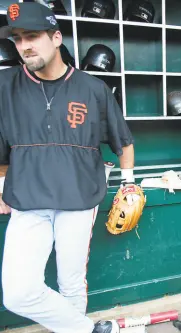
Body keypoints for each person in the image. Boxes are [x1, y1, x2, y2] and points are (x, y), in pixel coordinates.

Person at [0, 3, 137, 332]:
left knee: (71, 285)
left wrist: (129, 184)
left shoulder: (93, 88)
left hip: (79, 198)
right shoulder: (5, 87)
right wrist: (1, 187)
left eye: (32, 36)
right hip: (27, 201)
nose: (24, 46)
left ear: (56, 37)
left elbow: (123, 142)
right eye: (17, 39)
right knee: (18, 294)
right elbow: (1, 149)